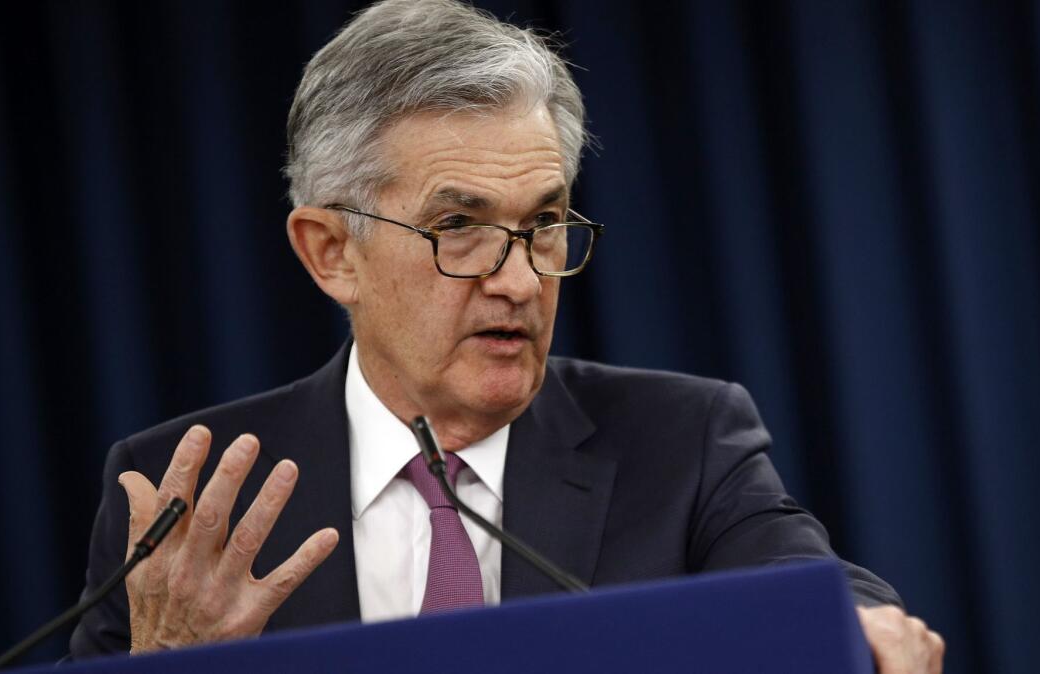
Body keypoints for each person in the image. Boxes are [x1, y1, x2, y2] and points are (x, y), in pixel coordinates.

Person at [69, 1, 944, 671]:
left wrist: (860, 628)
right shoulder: (189, 495)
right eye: (459, 225)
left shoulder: (683, 440)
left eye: (546, 222)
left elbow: (804, 582)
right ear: (332, 252)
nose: (522, 280)